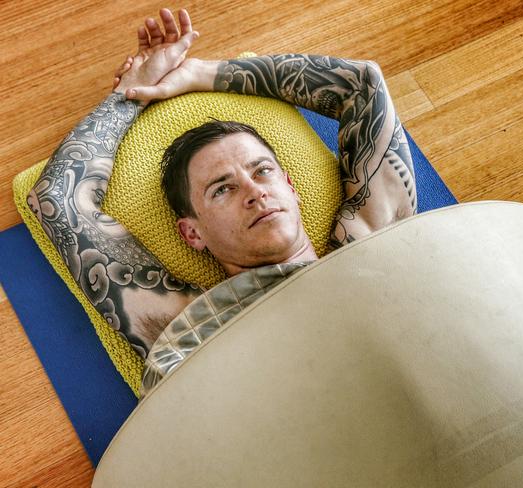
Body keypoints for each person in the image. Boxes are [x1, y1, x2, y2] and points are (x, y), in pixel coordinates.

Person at [27, 8, 416, 394]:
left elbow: (362, 85)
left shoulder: (368, 245)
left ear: (291, 187)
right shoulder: (191, 326)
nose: (254, 192)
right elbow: (57, 200)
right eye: (222, 188)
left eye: (262, 170)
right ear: (192, 233)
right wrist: (132, 93)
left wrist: (201, 74)